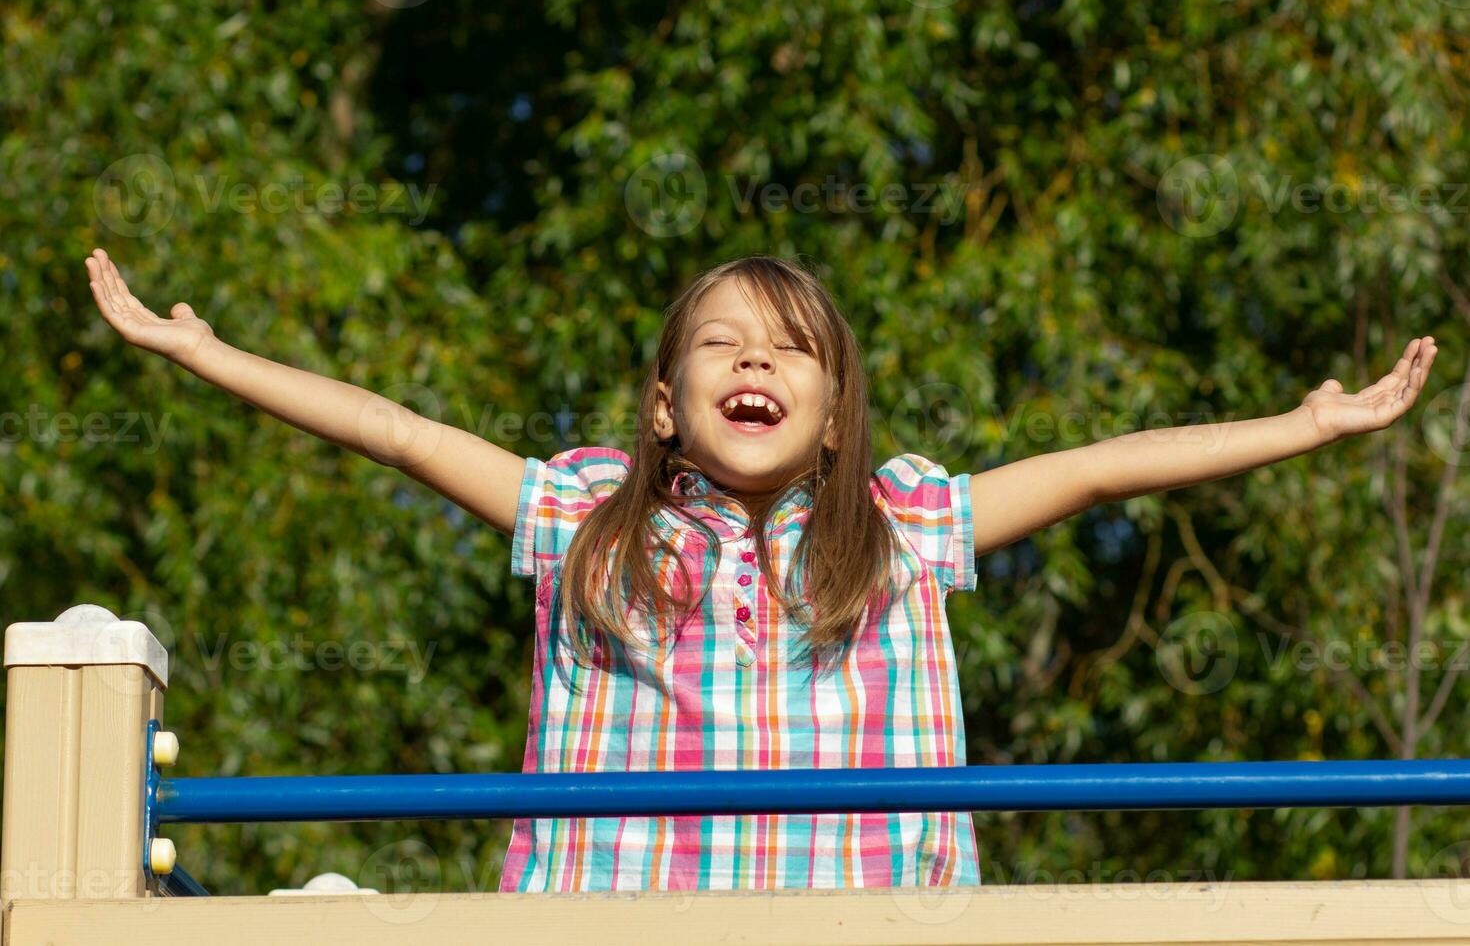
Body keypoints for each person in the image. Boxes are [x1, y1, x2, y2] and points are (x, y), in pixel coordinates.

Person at [85, 247, 1438, 892]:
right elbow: (396, 431)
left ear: (838, 410)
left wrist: (1300, 426)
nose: (752, 363)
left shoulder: (902, 525)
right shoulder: (582, 517)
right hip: (620, 914)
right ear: (664, 403)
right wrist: (209, 355)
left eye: (789, 349)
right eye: (720, 345)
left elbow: (1100, 468)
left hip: (861, 908)